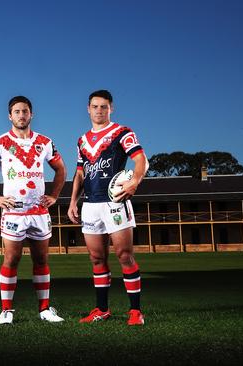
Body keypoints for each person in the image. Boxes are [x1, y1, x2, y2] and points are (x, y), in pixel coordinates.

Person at [0, 96, 67, 325]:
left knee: (41, 259)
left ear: (31, 114)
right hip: (14, 212)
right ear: (10, 116)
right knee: (11, 259)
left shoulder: (45, 142)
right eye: (16, 112)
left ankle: (44, 309)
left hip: (39, 211)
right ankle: (6, 310)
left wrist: (54, 195)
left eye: (25, 111)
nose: (21, 115)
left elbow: (61, 169)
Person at [67, 90, 149, 326]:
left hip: (115, 202)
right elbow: (80, 172)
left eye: (104, 107)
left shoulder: (122, 132)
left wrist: (134, 182)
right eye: (95, 106)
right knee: (96, 258)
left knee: (124, 255)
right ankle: (102, 309)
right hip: (90, 205)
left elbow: (140, 159)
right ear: (88, 109)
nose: (99, 111)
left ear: (111, 108)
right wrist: (73, 201)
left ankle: (135, 311)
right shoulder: (82, 140)